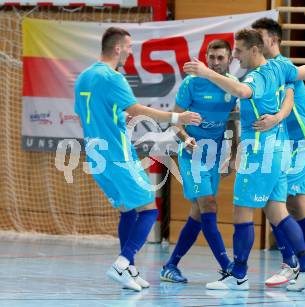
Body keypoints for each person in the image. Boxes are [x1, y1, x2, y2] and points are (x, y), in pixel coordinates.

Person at [183, 29, 305, 291]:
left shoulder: (257, 76)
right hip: (280, 150)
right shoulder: (279, 68)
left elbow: (240, 89)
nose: (235, 55)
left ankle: (239, 275)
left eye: (239, 51)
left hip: (259, 153)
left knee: (242, 213)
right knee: (278, 211)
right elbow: (297, 81)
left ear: (255, 50)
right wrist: (279, 117)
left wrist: (206, 72)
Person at [74, 27, 201, 291]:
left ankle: (129, 268)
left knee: (128, 210)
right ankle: (122, 262)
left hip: (96, 157)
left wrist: (118, 119)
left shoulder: (84, 77)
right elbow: (136, 108)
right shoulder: (113, 77)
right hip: (118, 155)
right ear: (117, 48)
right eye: (129, 47)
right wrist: (178, 118)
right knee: (149, 209)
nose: (130, 53)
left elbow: (86, 114)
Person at [251, 18, 305, 289]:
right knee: (294, 204)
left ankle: (293, 264)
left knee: (279, 202)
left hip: (300, 144)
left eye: (258, 37)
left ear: (273, 40)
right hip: (284, 144)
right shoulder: (267, 70)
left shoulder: (282, 66)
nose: (254, 42)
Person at [160, 39, 238, 283]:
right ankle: (228, 266)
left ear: (229, 60)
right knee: (209, 205)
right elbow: (175, 122)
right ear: (205, 57)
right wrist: (185, 139)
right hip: (191, 153)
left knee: (198, 212)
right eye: (211, 58)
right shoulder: (191, 84)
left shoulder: (233, 87)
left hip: (214, 155)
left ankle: (170, 265)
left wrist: (234, 155)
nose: (215, 63)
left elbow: (233, 122)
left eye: (220, 58)